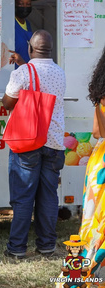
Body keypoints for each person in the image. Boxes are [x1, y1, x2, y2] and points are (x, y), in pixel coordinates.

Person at [2, 29, 66, 259]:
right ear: (50, 49)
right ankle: (47, 245)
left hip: (27, 142)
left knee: (23, 197)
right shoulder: (60, 73)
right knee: (49, 196)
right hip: (55, 143)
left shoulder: (22, 72)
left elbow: (8, 103)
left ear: (30, 48)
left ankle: (17, 248)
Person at [78, 47, 105, 277]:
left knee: (93, 223)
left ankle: (79, 275)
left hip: (100, 163)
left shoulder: (101, 97)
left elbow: (97, 132)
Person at [9, 0, 34, 69]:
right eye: (21, 4)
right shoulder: (9, 22)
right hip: (12, 69)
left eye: (28, 4)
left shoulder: (28, 24)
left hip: (26, 69)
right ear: (14, 3)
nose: (25, 7)